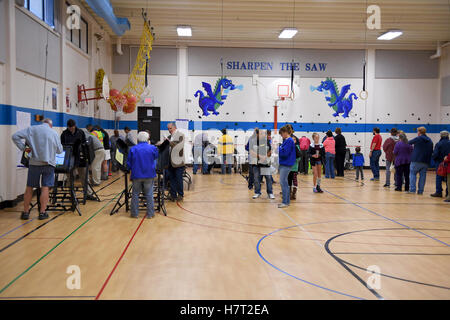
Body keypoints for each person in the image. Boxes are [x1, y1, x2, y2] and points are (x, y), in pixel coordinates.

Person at [11, 119, 63, 220]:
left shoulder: (31, 129)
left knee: (30, 187)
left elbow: (15, 136)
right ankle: (42, 213)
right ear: (50, 125)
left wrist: (23, 148)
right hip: (49, 163)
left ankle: (26, 213)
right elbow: (59, 150)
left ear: (42, 123)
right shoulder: (53, 133)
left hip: (34, 163)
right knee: (45, 187)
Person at [127, 131, 159, 219]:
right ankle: (150, 214)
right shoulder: (153, 148)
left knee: (135, 194)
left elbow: (129, 163)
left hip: (136, 175)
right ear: (147, 138)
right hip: (149, 174)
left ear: (138, 139)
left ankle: (134, 214)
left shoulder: (133, 149)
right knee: (149, 194)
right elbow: (156, 157)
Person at [408, 127, 433, 195]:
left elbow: (409, 142)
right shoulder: (430, 140)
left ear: (419, 132)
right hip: (426, 161)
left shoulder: (418, 138)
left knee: (412, 174)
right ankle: (420, 191)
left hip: (416, 160)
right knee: (423, 176)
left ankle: (412, 190)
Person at [251, 129, 275, 199]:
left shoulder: (267, 141)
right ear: (257, 134)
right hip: (256, 164)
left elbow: (270, 151)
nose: (263, 135)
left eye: (263, 134)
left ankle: (270, 193)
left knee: (268, 178)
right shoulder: (253, 142)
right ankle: (257, 192)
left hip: (265, 164)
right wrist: (259, 156)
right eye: (261, 133)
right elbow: (251, 152)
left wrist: (266, 156)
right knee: (256, 179)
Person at [278, 126, 296, 208]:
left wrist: (278, 148)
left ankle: (285, 202)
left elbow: (284, 153)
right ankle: (286, 201)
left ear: (285, 132)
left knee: (283, 182)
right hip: (285, 163)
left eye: (281, 134)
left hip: (286, 164)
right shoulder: (287, 141)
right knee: (284, 183)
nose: (281, 136)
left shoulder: (289, 141)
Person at [167, 122, 185, 201]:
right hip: (170, 161)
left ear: (174, 127)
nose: (169, 130)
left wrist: (169, 142)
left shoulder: (180, 135)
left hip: (178, 162)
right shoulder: (169, 136)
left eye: (170, 128)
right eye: (168, 129)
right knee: (172, 179)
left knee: (178, 179)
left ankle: (180, 195)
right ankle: (173, 195)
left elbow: (178, 147)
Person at [431, 131, 450, 198]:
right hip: (448, 163)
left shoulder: (439, 144)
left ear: (441, 136)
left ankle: (439, 192)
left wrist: (434, 159)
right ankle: (448, 193)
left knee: (439, 177)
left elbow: (435, 154)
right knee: (448, 178)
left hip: (439, 162)